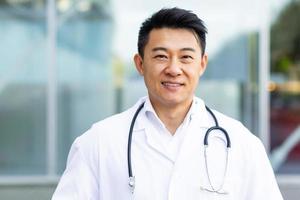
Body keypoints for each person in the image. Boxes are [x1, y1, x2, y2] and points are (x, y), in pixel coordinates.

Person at [52, 7, 283, 200]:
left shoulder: (242, 144)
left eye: (186, 57)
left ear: (202, 64)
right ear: (140, 64)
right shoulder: (98, 143)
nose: (173, 69)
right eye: (161, 56)